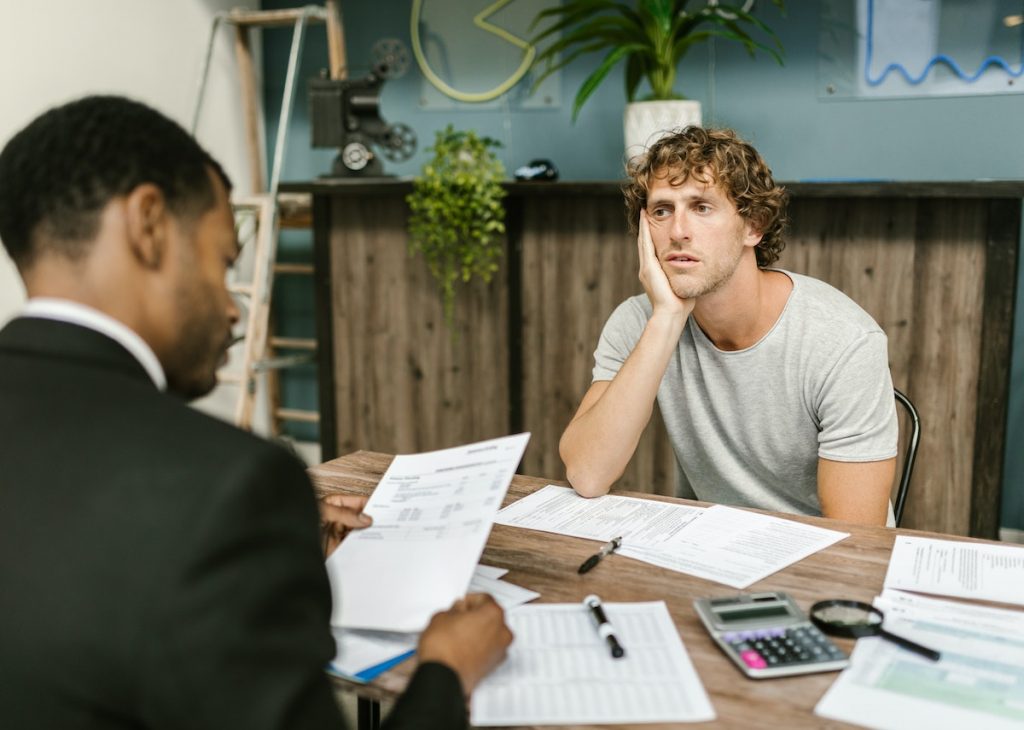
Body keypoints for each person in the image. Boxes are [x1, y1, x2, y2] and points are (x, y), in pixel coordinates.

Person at [0, 95, 511, 729]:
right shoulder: (228, 488)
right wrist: (446, 672)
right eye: (222, 262)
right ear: (149, 225)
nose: (234, 307)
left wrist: (257, 560)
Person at [560, 127, 897, 525]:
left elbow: (854, 540)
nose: (678, 231)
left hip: (814, 565)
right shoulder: (639, 321)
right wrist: (667, 318)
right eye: (661, 210)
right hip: (708, 549)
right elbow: (587, 474)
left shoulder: (843, 342)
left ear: (753, 226)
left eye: (701, 207)